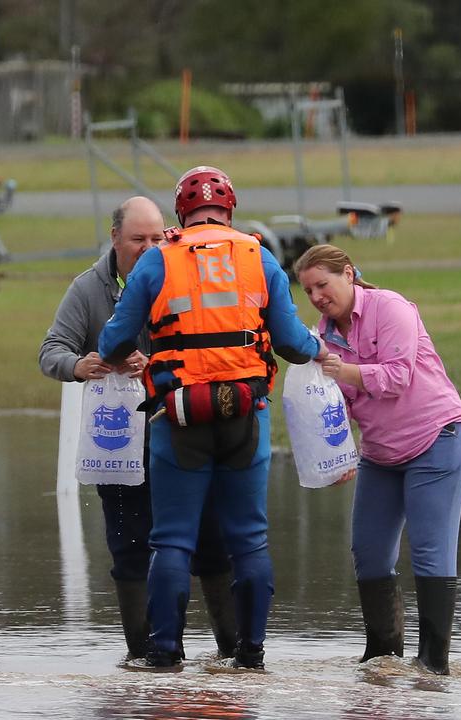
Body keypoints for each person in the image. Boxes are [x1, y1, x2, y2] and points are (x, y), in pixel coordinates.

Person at [99, 166, 325, 669]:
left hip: (178, 416)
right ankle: (251, 654)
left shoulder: (157, 259)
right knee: (249, 538)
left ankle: (163, 656)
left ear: (181, 211)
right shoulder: (259, 256)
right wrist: (320, 346)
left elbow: (113, 342)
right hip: (247, 413)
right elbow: (291, 343)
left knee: (172, 539)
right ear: (230, 210)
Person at [39, 196, 239, 661]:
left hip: (188, 428)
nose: (149, 248)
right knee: (129, 546)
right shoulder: (88, 288)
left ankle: (234, 657)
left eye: (156, 238)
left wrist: (161, 364)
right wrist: (82, 363)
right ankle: (147, 656)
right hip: (120, 439)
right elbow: (50, 351)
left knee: (211, 542)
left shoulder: (188, 274)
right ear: (114, 239)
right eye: (138, 240)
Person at [293, 244, 461, 675]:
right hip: (380, 452)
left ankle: (433, 665)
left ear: (349, 274)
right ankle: (382, 660)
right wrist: (339, 456)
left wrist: (342, 370)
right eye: (309, 290)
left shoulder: (390, 308)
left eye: (323, 284)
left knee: (430, 552)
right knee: (369, 551)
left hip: (437, 438)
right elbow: (340, 405)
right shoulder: (324, 336)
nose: (317, 296)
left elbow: (397, 376)